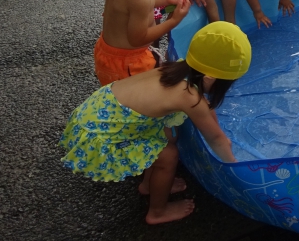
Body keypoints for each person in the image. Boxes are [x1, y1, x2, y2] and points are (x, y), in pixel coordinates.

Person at [60, 21, 250, 225]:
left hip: (92, 117)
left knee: (167, 135)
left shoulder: (176, 69)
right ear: (210, 78)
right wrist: (236, 170)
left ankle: (149, 185)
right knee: (169, 155)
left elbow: (205, 110)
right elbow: (217, 139)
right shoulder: (189, 96)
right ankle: (158, 212)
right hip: (98, 139)